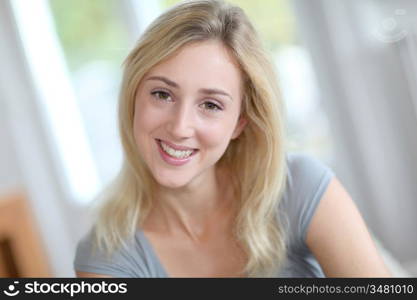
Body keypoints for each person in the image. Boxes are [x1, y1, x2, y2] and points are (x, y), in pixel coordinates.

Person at [74, 0, 391, 278]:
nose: (180, 126)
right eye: (162, 94)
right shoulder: (107, 257)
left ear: (240, 121)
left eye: (210, 105)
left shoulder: (299, 187)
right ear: (133, 98)